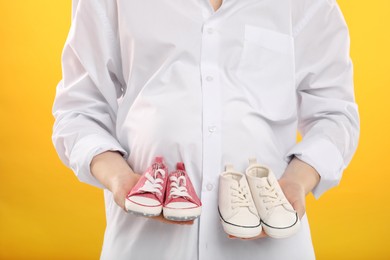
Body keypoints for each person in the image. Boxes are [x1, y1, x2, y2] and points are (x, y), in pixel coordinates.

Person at [52, 0, 360, 259]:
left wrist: (297, 181)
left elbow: (335, 114)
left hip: (272, 247)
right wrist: (118, 177)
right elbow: (78, 110)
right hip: (146, 245)